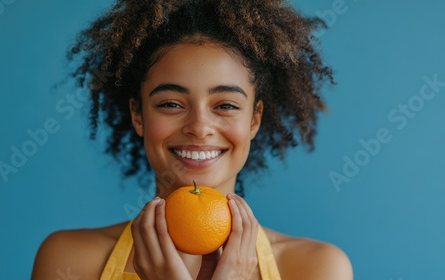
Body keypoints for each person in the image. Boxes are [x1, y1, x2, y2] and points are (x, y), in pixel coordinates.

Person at [32, 0, 353, 279]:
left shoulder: (316, 268)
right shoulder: (69, 261)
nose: (199, 127)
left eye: (226, 105)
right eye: (171, 104)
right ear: (138, 115)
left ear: (254, 119)